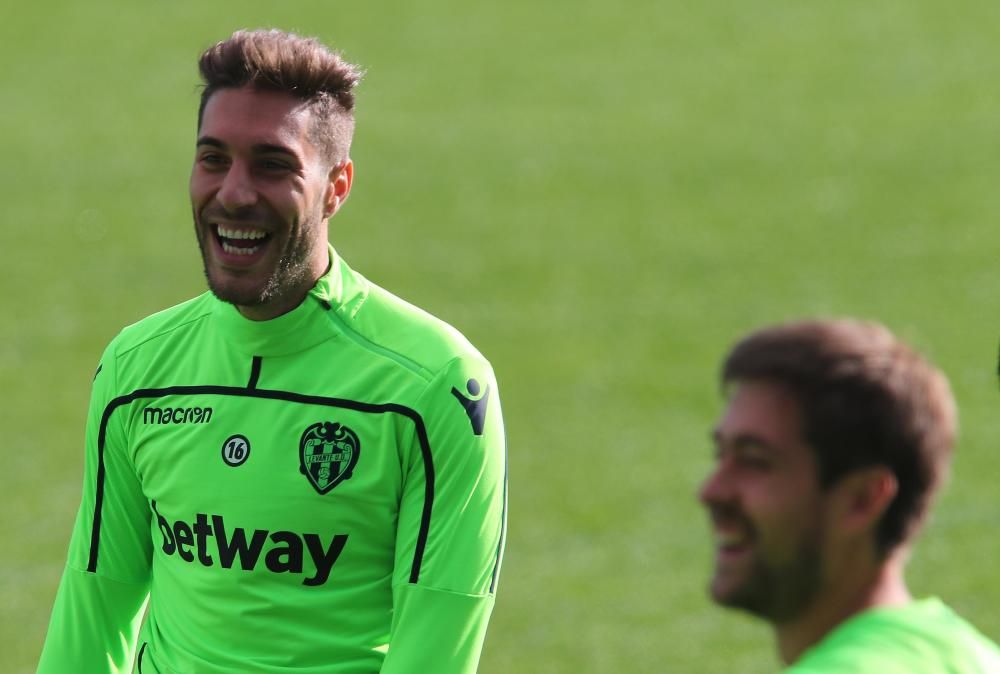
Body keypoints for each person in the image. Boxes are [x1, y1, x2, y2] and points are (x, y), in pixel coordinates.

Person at [37, 29, 507, 674]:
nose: (233, 192)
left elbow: (438, 644)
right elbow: (93, 614)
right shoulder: (135, 369)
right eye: (213, 158)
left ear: (336, 186)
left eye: (271, 164)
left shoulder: (437, 388)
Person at [699, 319, 1000, 673]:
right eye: (721, 455)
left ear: (863, 499)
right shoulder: (970, 656)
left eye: (755, 461)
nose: (711, 490)